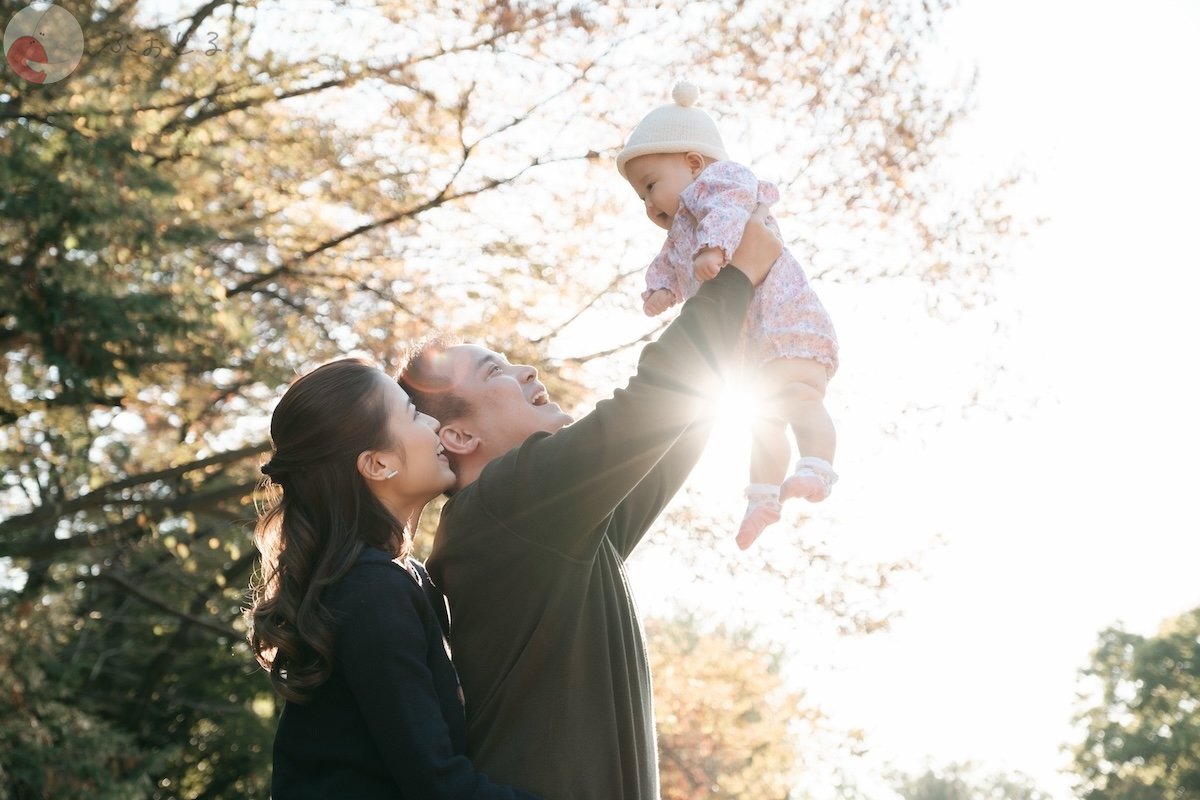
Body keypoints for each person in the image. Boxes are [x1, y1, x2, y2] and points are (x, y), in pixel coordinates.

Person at [397, 218, 782, 800]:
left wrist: (727, 306)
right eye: (495, 371)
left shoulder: (546, 527)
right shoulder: (504, 503)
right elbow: (649, 407)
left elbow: (676, 424)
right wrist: (737, 279)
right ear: (458, 437)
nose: (526, 370)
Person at [246, 357, 541, 800]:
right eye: (411, 413)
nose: (433, 422)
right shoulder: (372, 593)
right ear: (378, 464)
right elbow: (439, 786)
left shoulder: (400, 578)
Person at [617, 79, 841, 549]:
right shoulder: (681, 232)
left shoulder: (723, 182)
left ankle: (817, 467)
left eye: (651, 186)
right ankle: (764, 498)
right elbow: (668, 264)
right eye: (640, 197)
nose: (648, 204)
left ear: (694, 164)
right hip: (751, 349)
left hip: (785, 322)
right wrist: (660, 289)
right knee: (764, 422)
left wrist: (714, 247)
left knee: (800, 395)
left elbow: (730, 210)